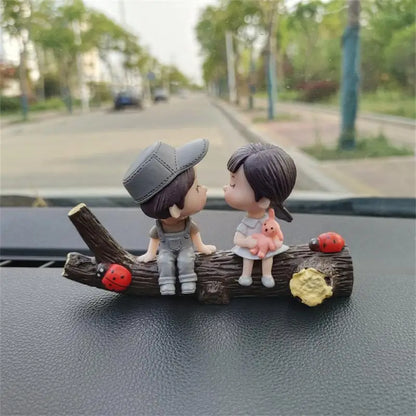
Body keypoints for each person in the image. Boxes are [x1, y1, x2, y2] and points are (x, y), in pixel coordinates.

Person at [122, 139, 216, 296]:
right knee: (164, 261)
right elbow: (154, 240)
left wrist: (202, 248)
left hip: (185, 249)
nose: (204, 189)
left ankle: (188, 282)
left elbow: (196, 237)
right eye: (197, 187)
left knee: (186, 260)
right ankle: (166, 284)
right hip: (165, 251)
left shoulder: (188, 225)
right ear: (175, 209)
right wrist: (151, 254)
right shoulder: (159, 228)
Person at [223, 143, 297, 288]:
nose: (225, 187)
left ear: (263, 200)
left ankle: (267, 275)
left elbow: (277, 235)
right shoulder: (247, 223)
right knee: (247, 259)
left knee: (268, 257)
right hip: (250, 249)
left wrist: (276, 242)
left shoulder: (269, 222)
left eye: (233, 185)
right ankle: (245, 275)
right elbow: (237, 239)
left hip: (267, 249)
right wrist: (247, 242)